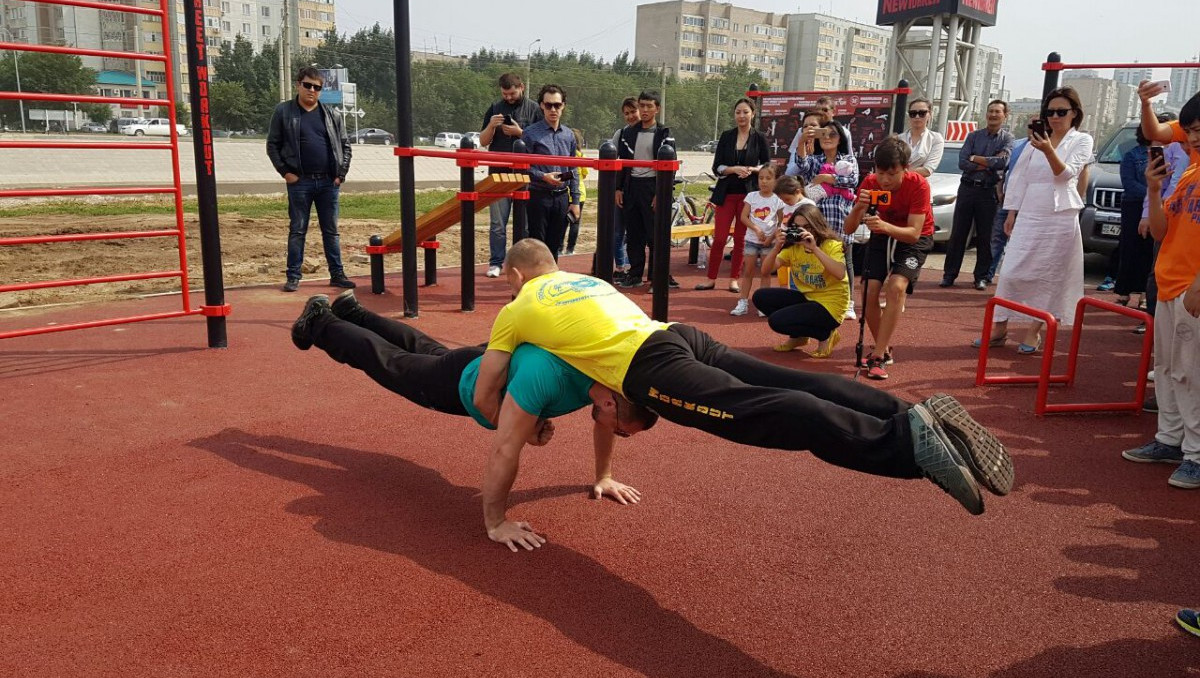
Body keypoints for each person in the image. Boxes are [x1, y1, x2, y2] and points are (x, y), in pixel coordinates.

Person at [473, 239, 1014, 533]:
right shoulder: (586, 279)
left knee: (767, 411)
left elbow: (483, 396)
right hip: (677, 335)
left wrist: (526, 443)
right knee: (789, 380)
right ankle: (910, 414)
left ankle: (907, 447)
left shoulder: (518, 307)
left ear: (519, 276)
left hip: (650, 368)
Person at [289, 289, 658, 551]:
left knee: (425, 351)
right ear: (610, 405)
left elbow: (603, 424)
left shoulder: (608, 374)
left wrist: (603, 476)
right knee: (392, 365)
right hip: (462, 383)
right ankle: (320, 323)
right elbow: (504, 449)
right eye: (624, 432)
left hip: (486, 358)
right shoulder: (549, 381)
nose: (621, 435)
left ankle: (355, 313)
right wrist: (496, 523)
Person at [1119, 84, 1200, 490]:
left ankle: (1196, 453)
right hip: (1170, 282)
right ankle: (1170, 440)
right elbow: (1163, 230)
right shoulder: (1187, 171)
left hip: (1192, 286)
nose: (1194, 136)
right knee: (1167, 369)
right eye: (1191, 130)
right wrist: (1153, 189)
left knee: (1192, 371)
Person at [975, 87, 1093, 354]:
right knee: (1011, 270)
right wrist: (1012, 211)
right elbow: (1019, 177)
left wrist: (1049, 150)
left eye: (1061, 112)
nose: (1054, 117)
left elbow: (1065, 175)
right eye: (1050, 112)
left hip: (1059, 214)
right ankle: (999, 327)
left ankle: (1034, 331)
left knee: (1049, 275)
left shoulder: (1082, 140)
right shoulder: (1034, 142)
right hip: (1029, 211)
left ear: (1074, 113)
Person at [844, 136, 936, 380]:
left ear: (905, 169)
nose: (884, 180)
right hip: (882, 234)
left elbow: (914, 233)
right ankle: (882, 350)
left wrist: (884, 226)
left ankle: (878, 354)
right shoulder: (870, 182)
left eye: (892, 174)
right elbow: (848, 229)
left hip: (912, 238)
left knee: (896, 287)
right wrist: (858, 209)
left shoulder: (919, 185)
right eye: (880, 172)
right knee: (869, 289)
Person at [266, 66, 355, 293]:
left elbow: (345, 146)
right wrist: (285, 172)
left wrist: (340, 175)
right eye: (308, 85)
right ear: (298, 84)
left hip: (328, 183)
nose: (312, 91)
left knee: (331, 231)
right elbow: (272, 145)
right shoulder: (284, 112)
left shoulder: (332, 115)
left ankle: (337, 274)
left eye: (317, 87)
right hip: (300, 183)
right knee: (297, 230)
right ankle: (293, 276)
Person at [753, 204, 850, 358]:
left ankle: (825, 334)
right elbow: (765, 270)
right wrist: (777, 246)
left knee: (777, 321)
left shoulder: (831, 245)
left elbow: (839, 273)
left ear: (816, 226)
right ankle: (799, 337)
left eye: (807, 227)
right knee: (760, 297)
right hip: (808, 298)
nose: (802, 231)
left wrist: (815, 249)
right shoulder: (793, 248)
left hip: (830, 306)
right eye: (797, 227)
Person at [697, 98, 770, 292]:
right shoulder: (727, 136)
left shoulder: (759, 137)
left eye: (745, 112)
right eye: (738, 112)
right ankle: (710, 278)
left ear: (752, 114)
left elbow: (767, 165)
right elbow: (717, 166)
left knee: (740, 239)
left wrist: (752, 170)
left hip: (748, 196)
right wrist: (733, 169)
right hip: (726, 194)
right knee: (720, 238)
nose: (741, 116)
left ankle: (733, 280)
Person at [941, 100, 1014, 290]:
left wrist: (977, 159)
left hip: (988, 191)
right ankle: (949, 275)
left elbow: (1003, 162)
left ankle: (980, 277)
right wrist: (988, 162)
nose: (993, 115)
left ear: (1005, 115)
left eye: (998, 112)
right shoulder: (973, 136)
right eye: (990, 111)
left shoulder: (1007, 139)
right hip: (967, 189)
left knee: (985, 236)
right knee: (958, 234)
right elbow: (963, 162)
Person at [792, 120, 861, 316]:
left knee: (846, 260)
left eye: (833, 135)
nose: (828, 138)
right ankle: (821, 297)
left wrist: (824, 178)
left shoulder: (848, 159)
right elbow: (802, 165)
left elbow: (852, 180)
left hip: (842, 218)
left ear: (841, 138)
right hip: (820, 220)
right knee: (819, 258)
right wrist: (802, 141)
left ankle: (849, 302)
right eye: (824, 134)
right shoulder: (816, 160)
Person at [479, 73, 543, 278]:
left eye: (512, 93)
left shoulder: (534, 109)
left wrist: (519, 132)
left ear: (521, 87)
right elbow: (482, 141)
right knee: (498, 223)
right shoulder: (495, 108)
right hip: (499, 174)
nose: (508, 98)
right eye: (505, 94)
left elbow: (542, 141)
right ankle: (496, 262)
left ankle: (520, 264)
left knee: (523, 223)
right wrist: (491, 125)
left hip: (525, 175)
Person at [616, 90, 675, 289]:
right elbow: (622, 163)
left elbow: (670, 167)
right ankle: (635, 274)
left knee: (655, 235)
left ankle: (657, 277)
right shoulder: (628, 133)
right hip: (632, 187)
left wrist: (661, 193)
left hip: (653, 187)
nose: (645, 110)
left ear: (657, 108)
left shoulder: (664, 134)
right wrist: (618, 188)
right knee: (634, 235)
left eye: (650, 106)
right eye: (642, 106)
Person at [521, 84, 580, 261]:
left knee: (556, 243)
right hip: (538, 195)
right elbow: (523, 166)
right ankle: (536, 281)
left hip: (561, 197)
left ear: (563, 106)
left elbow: (573, 168)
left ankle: (551, 281)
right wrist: (542, 176)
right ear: (541, 105)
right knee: (537, 243)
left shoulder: (569, 135)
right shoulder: (530, 134)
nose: (553, 109)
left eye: (557, 105)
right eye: (548, 105)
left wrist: (575, 201)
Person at [731, 165, 783, 316]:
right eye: (761, 178)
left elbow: (781, 222)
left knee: (765, 273)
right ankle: (742, 302)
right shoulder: (752, 196)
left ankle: (763, 304)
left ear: (775, 180)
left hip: (769, 243)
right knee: (748, 271)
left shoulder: (778, 200)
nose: (764, 182)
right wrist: (757, 229)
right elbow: (743, 217)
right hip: (752, 241)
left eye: (768, 178)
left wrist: (771, 237)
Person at [1113, 124, 1154, 308]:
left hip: (1158, 208)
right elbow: (1128, 182)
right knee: (1129, 248)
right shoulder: (1132, 155)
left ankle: (1145, 293)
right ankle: (1124, 290)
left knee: (1149, 251)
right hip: (1134, 206)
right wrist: (1152, 194)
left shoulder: (1172, 154)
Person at [982, 137, 1029, 285]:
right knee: (997, 238)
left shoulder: (1047, 147)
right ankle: (987, 274)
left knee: (1021, 243)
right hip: (1007, 200)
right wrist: (999, 188)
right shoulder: (1017, 145)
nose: (1033, 127)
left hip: (1029, 203)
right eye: (1030, 124)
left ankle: (1015, 278)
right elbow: (1004, 168)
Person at [608, 98, 640, 275]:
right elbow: (613, 162)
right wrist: (616, 189)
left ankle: (633, 266)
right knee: (618, 230)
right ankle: (620, 266)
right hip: (623, 188)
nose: (630, 116)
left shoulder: (649, 133)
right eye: (626, 113)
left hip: (640, 189)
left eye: (632, 111)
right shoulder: (620, 134)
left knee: (635, 232)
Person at [897, 97, 945, 178]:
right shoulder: (898, 138)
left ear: (930, 114)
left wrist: (898, 173)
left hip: (919, 185)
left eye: (922, 113)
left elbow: (927, 170)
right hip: (896, 185)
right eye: (913, 113)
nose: (917, 117)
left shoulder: (936, 139)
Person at [563, 127, 588, 257]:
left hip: (564, 192)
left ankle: (559, 247)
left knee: (562, 222)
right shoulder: (581, 157)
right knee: (575, 222)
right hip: (580, 193)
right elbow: (584, 174)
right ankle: (570, 249)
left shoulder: (564, 155)